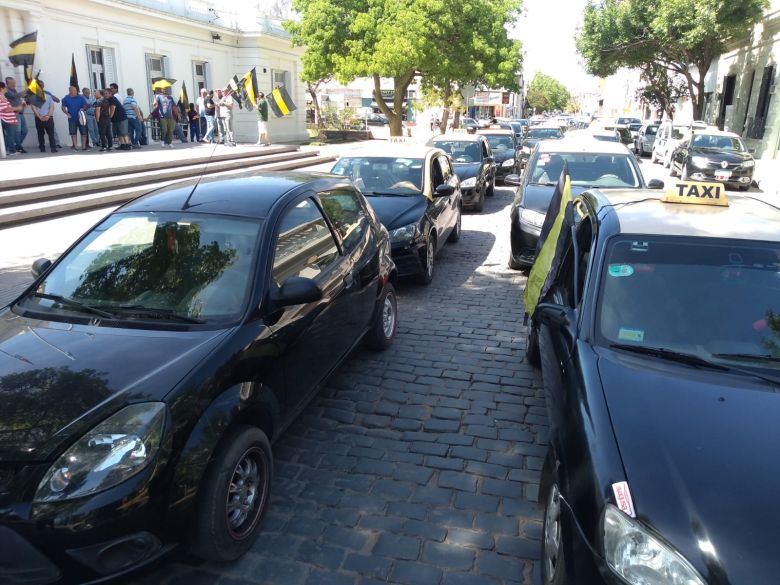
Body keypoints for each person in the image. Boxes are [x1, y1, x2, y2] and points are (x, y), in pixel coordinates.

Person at [31, 80, 57, 153]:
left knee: (40, 134)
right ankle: (53, 148)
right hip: (48, 118)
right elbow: (52, 107)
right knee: (51, 133)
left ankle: (42, 148)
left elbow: (33, 108)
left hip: (39, 118)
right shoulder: (48, 96)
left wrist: (40, 117)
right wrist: (48, 115)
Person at [61, 85, 89, 151]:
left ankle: (84, 147)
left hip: (81, 118)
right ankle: (76, 147)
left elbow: (85, 105)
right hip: (72, 118)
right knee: (73, 133)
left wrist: (83, 108)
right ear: (70, 91)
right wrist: (66, 113)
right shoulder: (66, 98)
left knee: (84, 133)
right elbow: (63, 107)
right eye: (74, 90)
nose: (76, 92)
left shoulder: (80, 97)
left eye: (76, 90)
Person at [4, 77, 27, 153]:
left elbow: (17, 98)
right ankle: (17, 147)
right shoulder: (7, 91)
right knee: (16, 132)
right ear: (7, 84)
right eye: (12, 83)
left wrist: (23, 104)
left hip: (20, 114)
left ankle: (17, 146)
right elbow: (15, 96)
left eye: (14, 82)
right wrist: (26, 90)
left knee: (24, 131)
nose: (14, 84)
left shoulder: (15, 90)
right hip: (14, 114)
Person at [0, 81, 22, 156]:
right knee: (10, 135)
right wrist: (16, 108)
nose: (6, 88)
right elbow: (5, 109)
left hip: (7, 118)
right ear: (1, 88)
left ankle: (6, 150)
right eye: (5, 87)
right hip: (6, 119)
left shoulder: (3, 96)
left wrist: (18, 108)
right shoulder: (1, 97)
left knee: (8, 136)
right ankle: (10, 150)